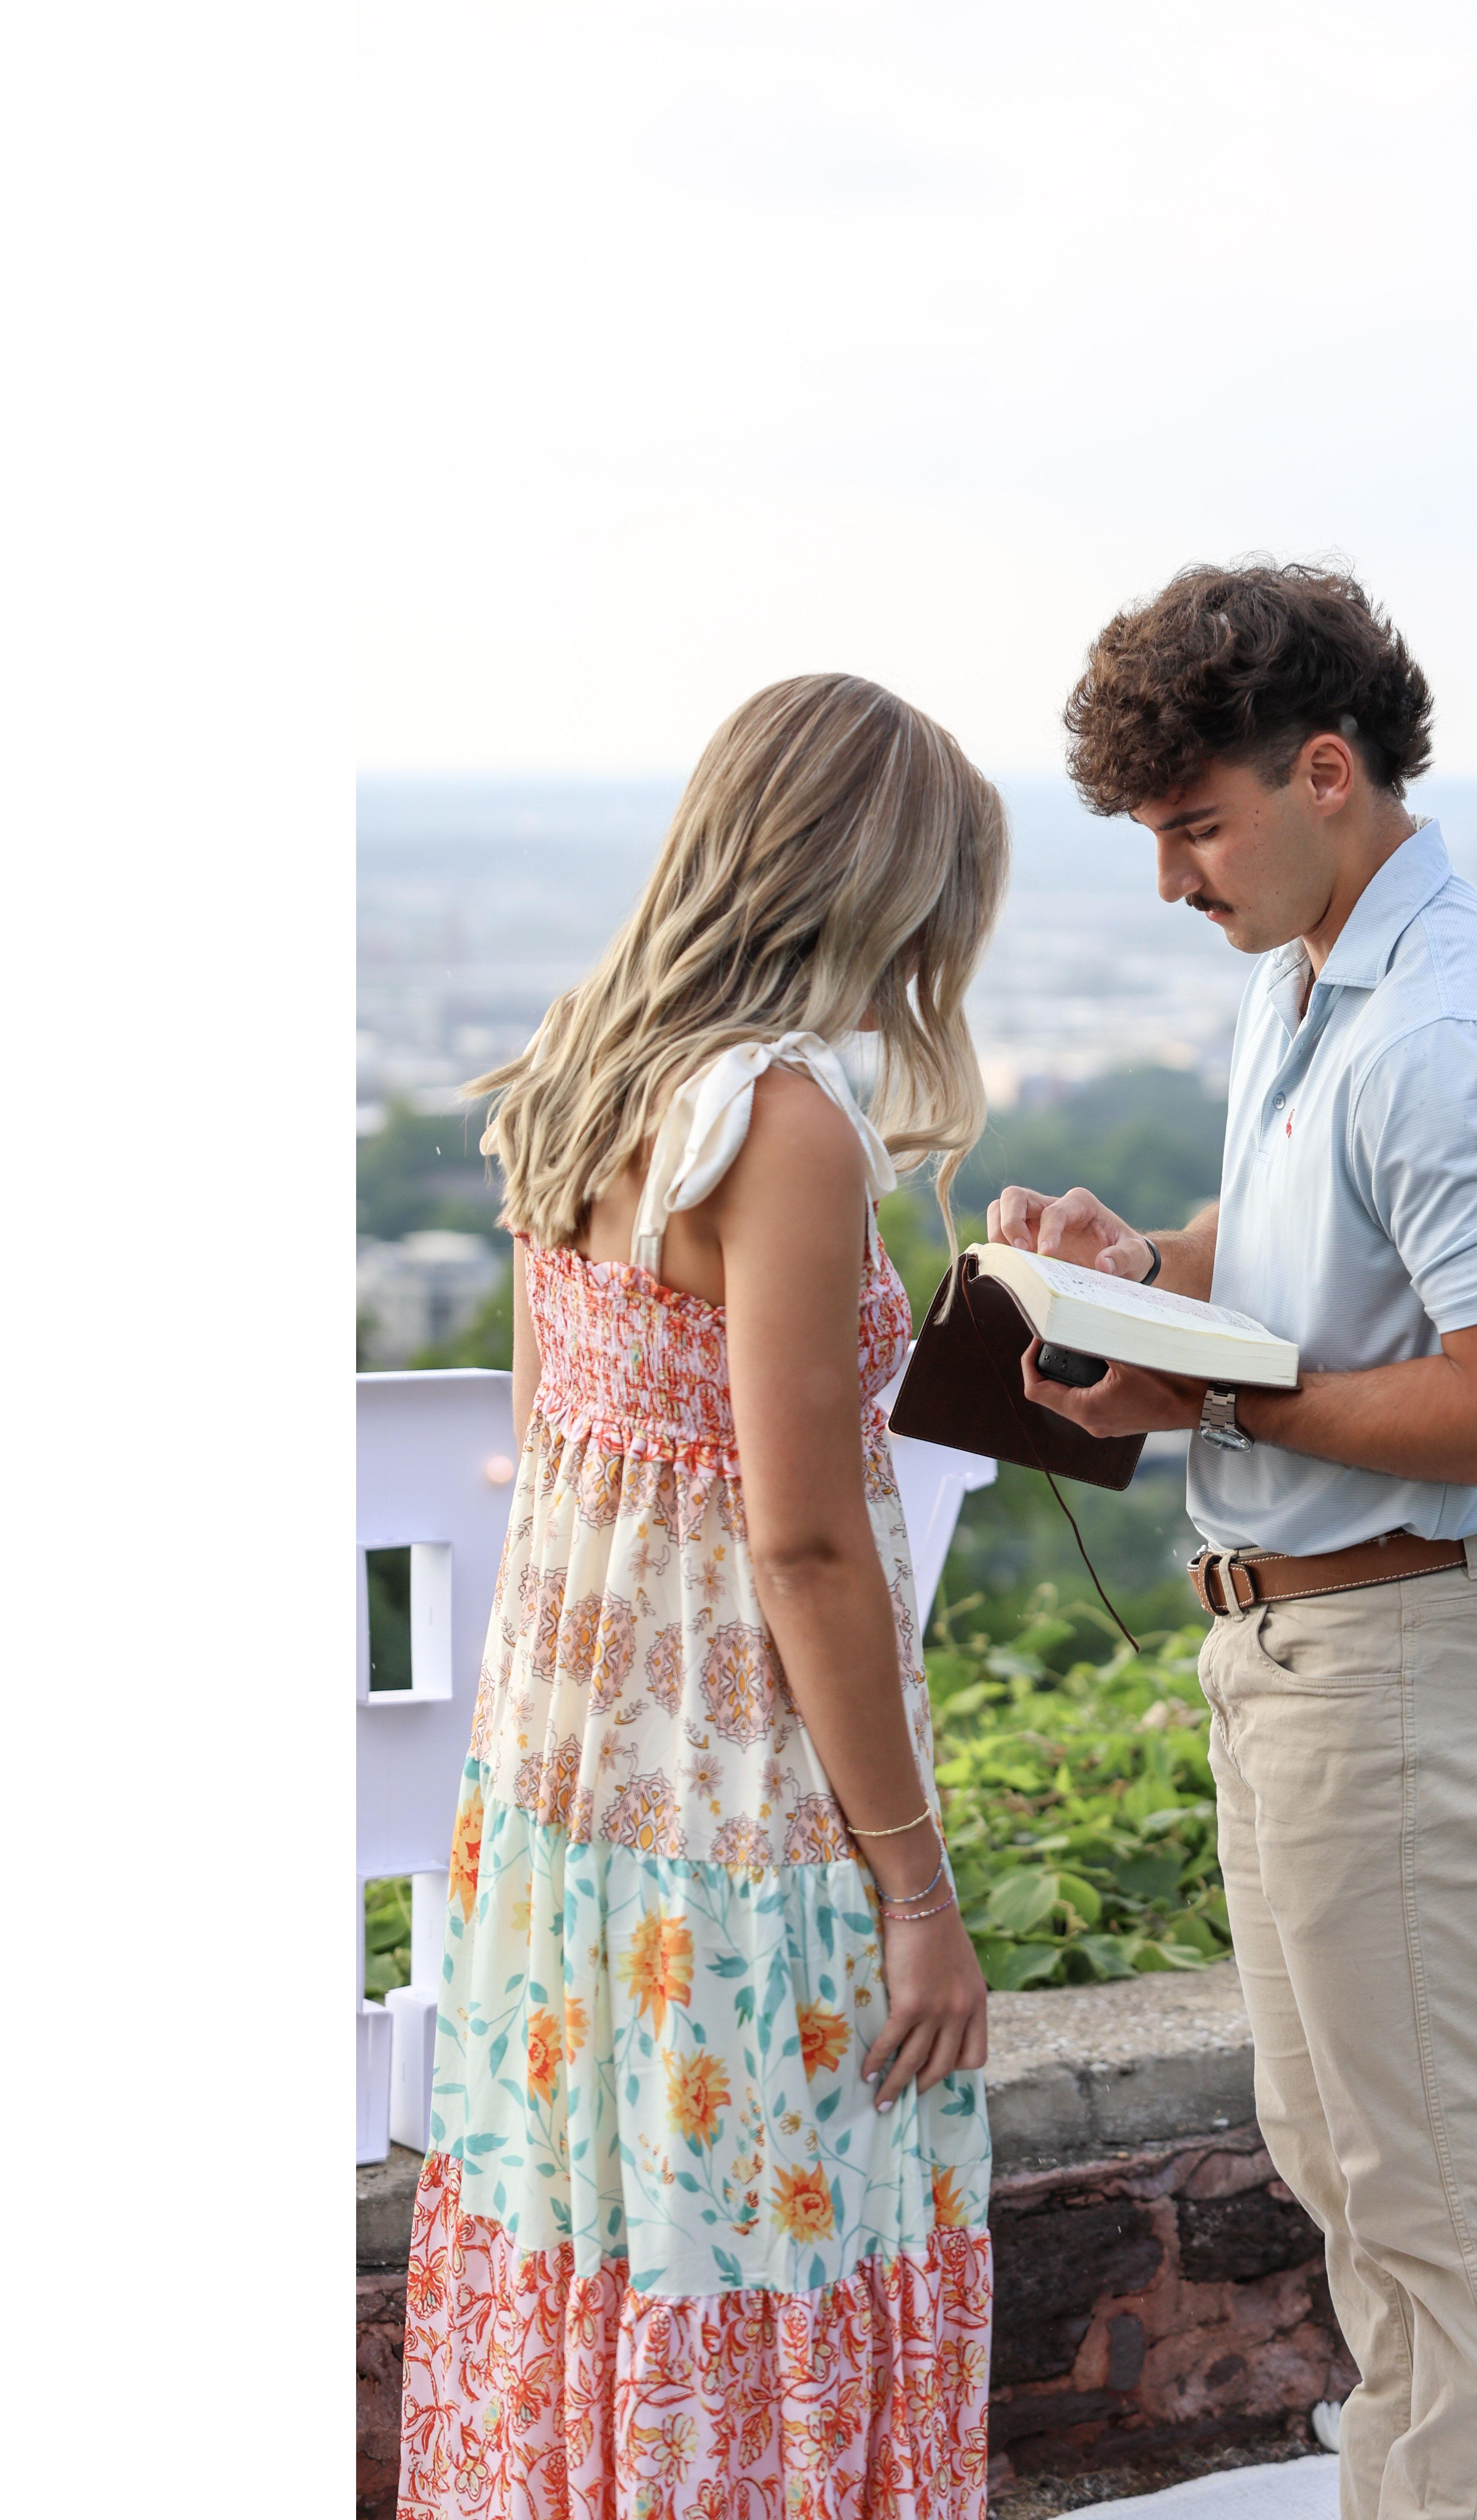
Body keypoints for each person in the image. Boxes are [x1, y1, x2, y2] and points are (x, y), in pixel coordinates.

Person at [989, 564, 1477, 2520]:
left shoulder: (1444, 1030)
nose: (1170, 881)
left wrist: (1214, 1401)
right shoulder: (1305, 983)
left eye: (1193, 825)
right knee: (1356, 2177)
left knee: (1444, 2210)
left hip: (1415, 1654)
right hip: (1312, 1655)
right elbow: (1290, 1278)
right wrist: (1130, 1276)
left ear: (1325, 773)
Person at [397, 673, 1006, 2519]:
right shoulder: (783, 1122)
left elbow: (555, 1428)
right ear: (868, 883)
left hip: (571, 1784)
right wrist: (919, 1892)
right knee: (772, 2245)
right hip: (745, 1803)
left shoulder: (581, 1063)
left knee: (597, 2239)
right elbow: (803, 1542)